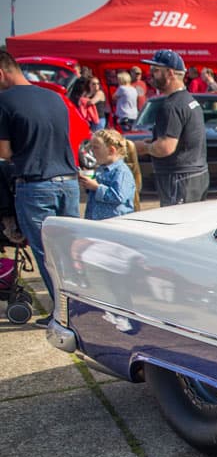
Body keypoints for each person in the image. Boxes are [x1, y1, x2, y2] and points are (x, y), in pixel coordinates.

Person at [0, 49, 80, 315]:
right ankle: (80, 307)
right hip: (69, 183)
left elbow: (4, 152)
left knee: (48, 254)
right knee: (69, 252)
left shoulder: (4, 101)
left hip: (36, 186)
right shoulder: (55, 97)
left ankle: (63, 313)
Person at [134, 49, 208, 206]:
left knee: (177, 220)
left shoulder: (171, 106)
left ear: (170, 73)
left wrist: (143, 147)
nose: (151, 74)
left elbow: (166, 147)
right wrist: (153, 141)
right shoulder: (189, 100)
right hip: (195, 174)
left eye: (155, 70)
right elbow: (182, 138)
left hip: (179, 177)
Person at [79, 128, 136, 220]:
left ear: (111, 150)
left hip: (115, 222)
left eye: (96, 147)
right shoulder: (101, 169)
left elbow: (119, 197)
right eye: (91, 147)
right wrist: (88, 183)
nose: (92, 151)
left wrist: (96, 187)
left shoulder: (121, 171)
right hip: (96, 221)